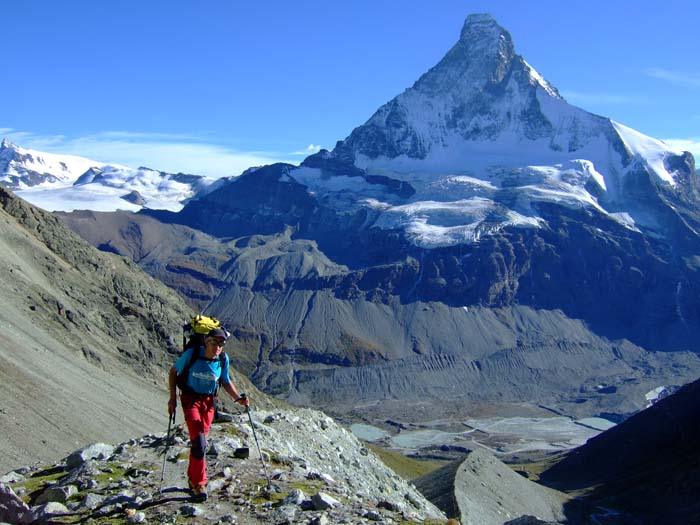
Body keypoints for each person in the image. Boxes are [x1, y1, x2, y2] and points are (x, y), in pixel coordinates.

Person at [168, 327, 250, 502]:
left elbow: (225, 380)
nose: (218, 347)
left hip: (209, 403)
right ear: (206, 341)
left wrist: (237, 398)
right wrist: (172, 399)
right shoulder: (192, 355)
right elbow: (174, 371)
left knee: (201, 442)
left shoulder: (222, 359)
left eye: (221, 344)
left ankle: (192, 475)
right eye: (214, 342)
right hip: (190, 400)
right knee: (199, 441)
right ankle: (200, 484)